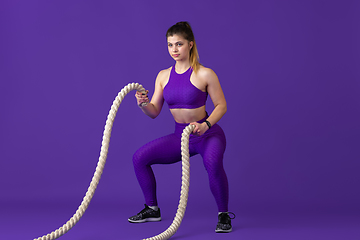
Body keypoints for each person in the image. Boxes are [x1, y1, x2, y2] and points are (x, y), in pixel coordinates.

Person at [128, 21, 234, 233]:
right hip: (180, 137)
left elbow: (221, 106)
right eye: (170, 45)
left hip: (207, 135)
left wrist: (206, 124)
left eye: (179, 44)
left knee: (212, 163)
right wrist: (143, 105)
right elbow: (154, 111)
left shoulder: (205, 74)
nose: (174, 50)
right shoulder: (163, 75)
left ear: (190, 44)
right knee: (139, 158)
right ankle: (152, 208)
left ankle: (224, 215)